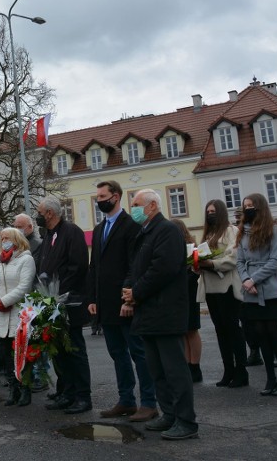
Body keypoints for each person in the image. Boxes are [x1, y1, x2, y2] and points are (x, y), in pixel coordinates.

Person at [122, 189, 197, 440]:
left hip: (166, 311)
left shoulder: (167, 231)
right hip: (149, 314)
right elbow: (137, 266)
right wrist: (129, 288)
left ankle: (186, 421)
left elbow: (162, 268)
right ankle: (169, 414)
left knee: (175, 369)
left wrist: (137, 292)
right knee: (158, 370)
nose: (132, 208)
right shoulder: (145, 233)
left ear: (152, 206)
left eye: (136, 204)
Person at [87, 180, 157, 422]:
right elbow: (94, 266)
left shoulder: (130, 225)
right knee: (117, 353)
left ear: (116, 197)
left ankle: (148, 402)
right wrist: (93, 298)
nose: (99, 201)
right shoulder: (98, 230)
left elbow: (133, 265)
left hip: (125, 301)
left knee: (138, 352)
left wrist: (129, 298)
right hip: (105, 303)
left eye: (103, 196)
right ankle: (126, 399)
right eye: (97, 197)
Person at [35, 196, 92, 414]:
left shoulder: (72, 232)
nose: (38, 215)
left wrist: (57, 292)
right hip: (51, 304)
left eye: (40, 212)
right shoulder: (48, 234)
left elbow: (77, 266)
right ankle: (66, 392)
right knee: (58, 351)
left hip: (69, 302)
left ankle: (82, 396)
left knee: (74, 350)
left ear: (49, 213)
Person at [237, 193, 277, 396]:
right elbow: (240, 261)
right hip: (250, 289)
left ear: (259, 207)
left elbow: (275, 261)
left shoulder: (275, 230)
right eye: (245, 206)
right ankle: (270, 377)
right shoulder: (243, 232)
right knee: (260, 334)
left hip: (271, 289)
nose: (247, 209)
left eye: (250, 205)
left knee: (273, 333)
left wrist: (253, 279)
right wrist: (245, 280)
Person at [196, 200, 247, 387]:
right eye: (208, 211)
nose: (210, 214)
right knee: (220, 331)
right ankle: (228, 370)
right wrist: (196, 264)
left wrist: (211, 264)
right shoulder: (207, 234)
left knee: (233, 329)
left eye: (213, 211)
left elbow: (233, 257)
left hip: (226, 287)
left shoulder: (231, 231)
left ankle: (241, 370)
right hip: (210, 288)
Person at [0, 227, 35, 406]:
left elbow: (24, 287)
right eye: (2, 238)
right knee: (6, 354)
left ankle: (25, 389)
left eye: (7, 238)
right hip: (0, 313)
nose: (4, 240)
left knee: (22, 353)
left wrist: (4, 301)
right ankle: (13, 389)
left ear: (16, 239)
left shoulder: (26, 259)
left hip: (18, 312)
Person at [170, 219, 204, 383]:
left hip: (189, 291)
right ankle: (187, 365)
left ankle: (195, 366)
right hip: (176, 293)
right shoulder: (171, 247)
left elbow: (195, 271)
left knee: (192, 329)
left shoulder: (191, 248)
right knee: (183, 331)